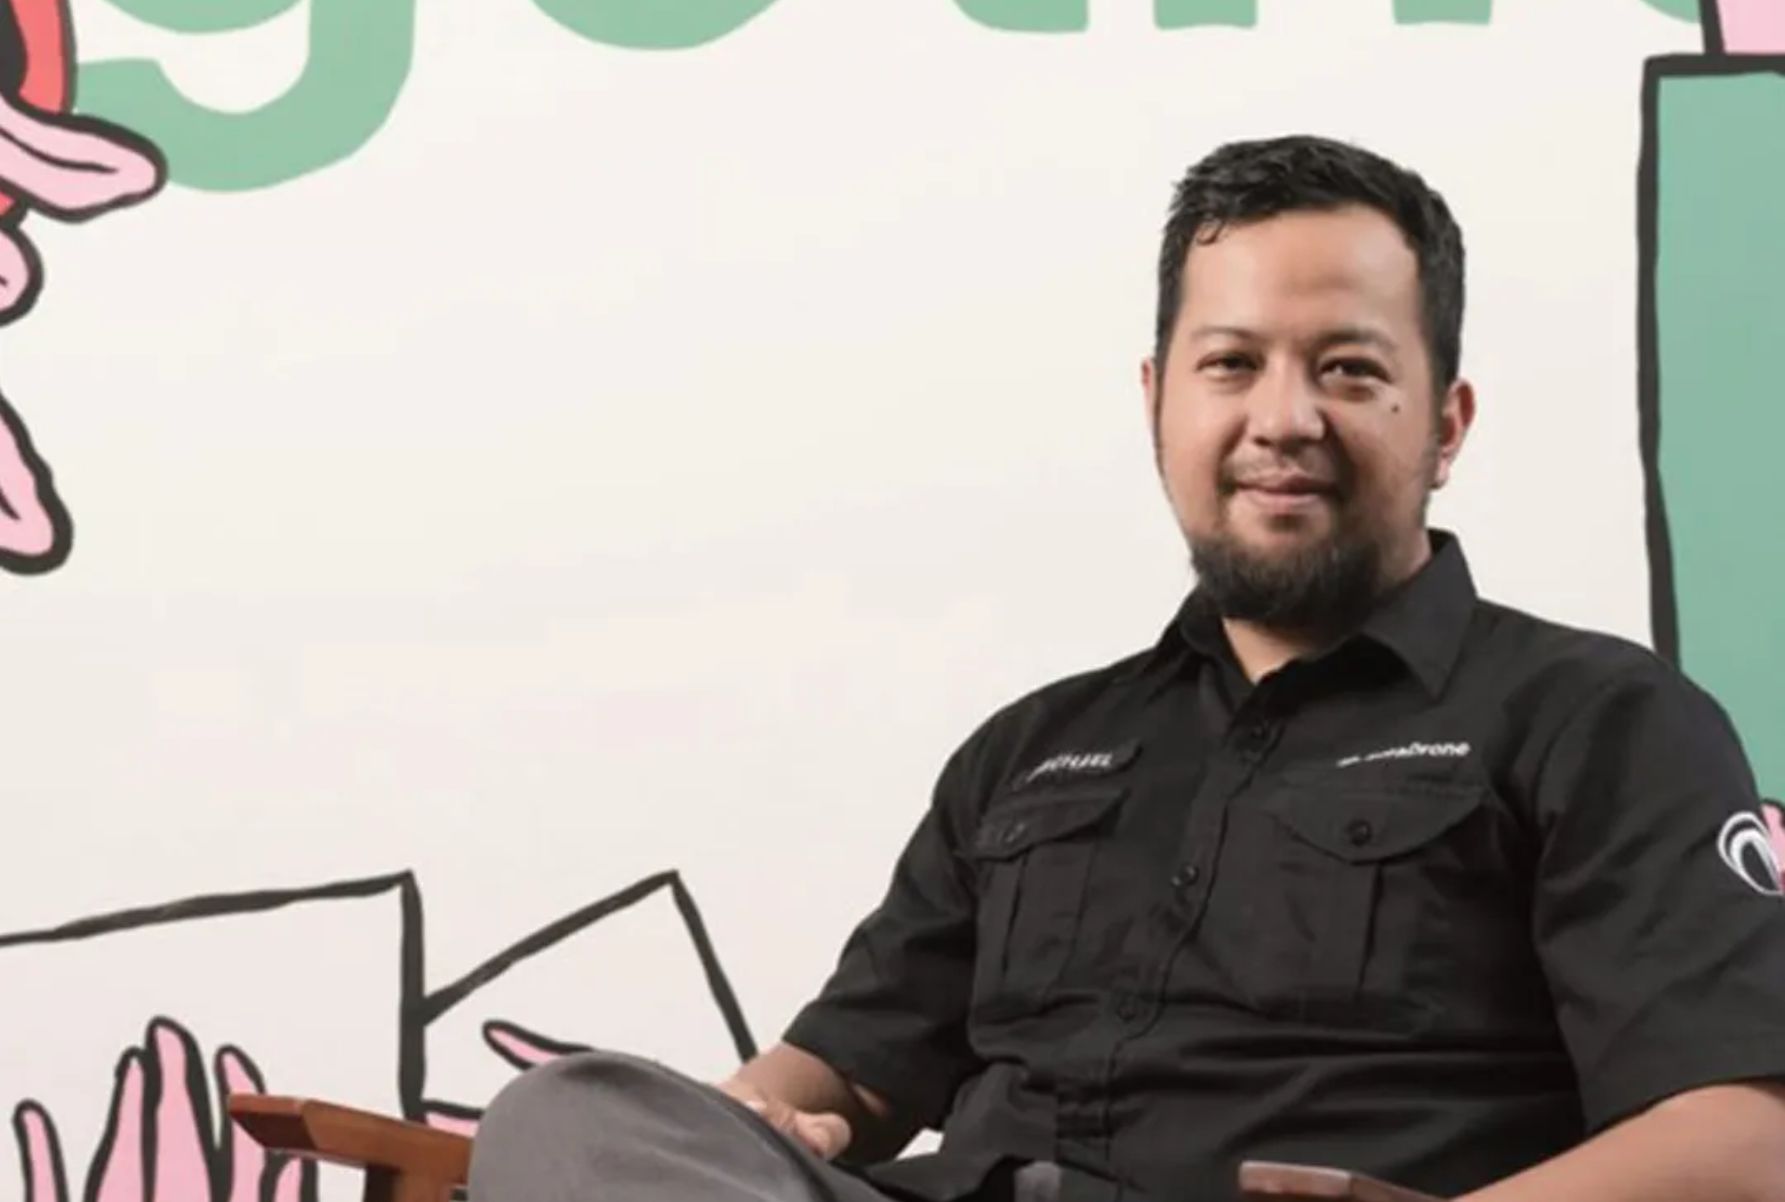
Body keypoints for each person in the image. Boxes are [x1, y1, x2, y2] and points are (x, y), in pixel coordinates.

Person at [467, 136, 1785, 1202]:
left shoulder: (1599, 720)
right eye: (1231, 365)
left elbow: (1743, 1138)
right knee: (570, 1115)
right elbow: (841, 1074)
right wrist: (759, 1123)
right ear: (1158, 399)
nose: (1282, 418)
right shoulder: (1030, 751)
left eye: (1347, 370)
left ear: (1445, 423)